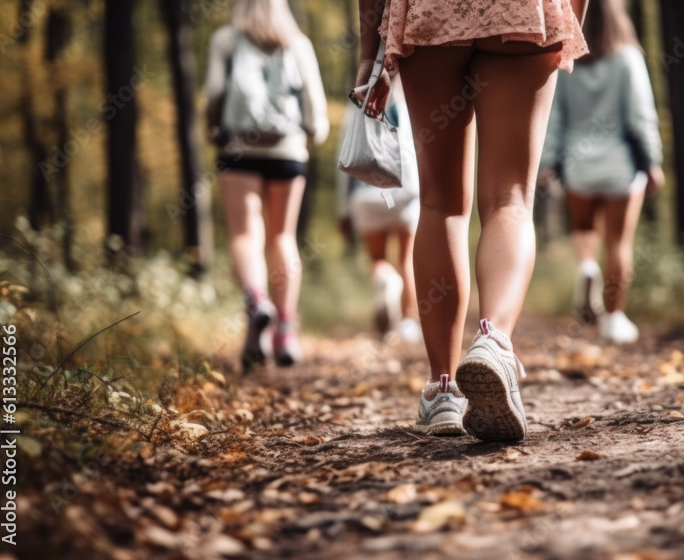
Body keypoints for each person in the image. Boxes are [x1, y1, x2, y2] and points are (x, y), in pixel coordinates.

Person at [356, 0, 588, 441]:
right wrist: (570, 16)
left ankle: (442, 388)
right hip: (524, 13)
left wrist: (370, 56)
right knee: (510, 201)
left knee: (442, 204)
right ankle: (494, 339)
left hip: (430, 16)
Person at [205, 0, 329, 369]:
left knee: (245, 235)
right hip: (287, 148)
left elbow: (214, 92)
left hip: (239, 147)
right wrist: (313, 134)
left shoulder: (226, 39)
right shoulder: (298, 41)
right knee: (283, 237)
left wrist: (213, 126)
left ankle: (258, 302)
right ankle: (285, 331)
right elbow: (314, 106)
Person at [539, 0, 665, 345]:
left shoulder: (568, 58)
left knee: (583, 229)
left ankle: (585, 268)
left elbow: (555, 116)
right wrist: (652, 162)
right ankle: (614, 319)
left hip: (578, 164)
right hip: (619, 166)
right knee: (618, 243)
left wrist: (549, 162)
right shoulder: (628, 57)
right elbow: (641, 116)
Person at [336, 76, 423, 345]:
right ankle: (408, 322)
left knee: (378, 260)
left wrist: (343, 208)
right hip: (404, 191)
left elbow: (344, 158)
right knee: (407, 259)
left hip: (365, 194)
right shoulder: (409, 103)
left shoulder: (356, 105)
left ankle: (387, 281)